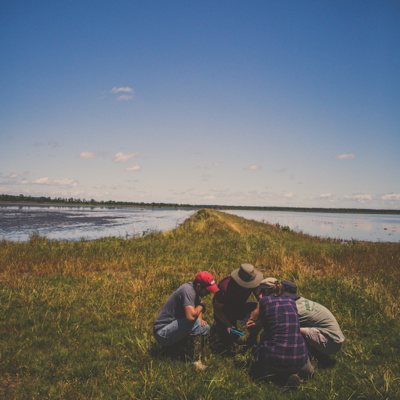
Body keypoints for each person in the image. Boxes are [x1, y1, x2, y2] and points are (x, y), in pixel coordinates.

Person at [251, 278, 314, 387]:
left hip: (276, 359)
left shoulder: (264, 301)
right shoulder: (291, 301)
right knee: (308, 370)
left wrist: (251, 342)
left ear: (266, 291)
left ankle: (280, 377)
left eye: (261, 292)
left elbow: (263, 327)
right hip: (300, 358)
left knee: (263, 341)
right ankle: (297, 376)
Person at [153, 271, 219, 362]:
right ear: (199, 286)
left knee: (205, 328)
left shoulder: (196, 292)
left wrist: (200, 318)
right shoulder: (188, 291)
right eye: (207, 290)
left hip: (174, 327)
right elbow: (191, 317)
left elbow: (199, 303)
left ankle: (180, 349)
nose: (208, 293)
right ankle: (194, 360)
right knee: (194, 322)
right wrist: (201, 308)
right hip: (162, 333)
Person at [280, 280, 344, 357]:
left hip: (331, 343)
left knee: (290, 328)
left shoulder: (296, 310)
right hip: (334, 338)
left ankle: (301, 355)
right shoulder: (301, 300)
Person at [213, 263, 263, 349]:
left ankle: (252, 339)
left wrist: (256, 311)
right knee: (229, 339)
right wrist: (227, 324)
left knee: (262, 312)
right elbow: (217, 309)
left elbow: (262, 300)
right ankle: (219, 330)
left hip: (241, 305)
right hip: (225, 310)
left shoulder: (254, 282)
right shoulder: (224, 287)